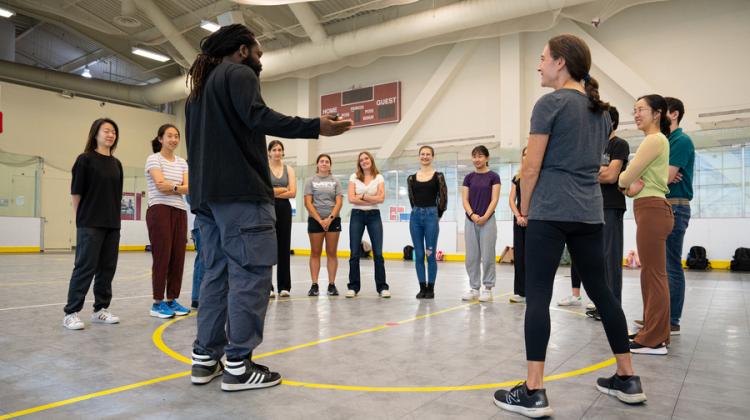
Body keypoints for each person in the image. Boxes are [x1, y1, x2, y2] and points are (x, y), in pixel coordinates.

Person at [185, 24, 351, 391]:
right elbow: (259, 116)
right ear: (242, 50)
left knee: (216, 275)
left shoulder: (197, 92)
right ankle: (239, 366)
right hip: (241, 195)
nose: (260, 61)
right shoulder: (239, 74)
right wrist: (316, 126)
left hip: (206, 200)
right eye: (258, 53)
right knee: (250, 276)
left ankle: (204, 358)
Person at [493, 34, 645, 418]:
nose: (539, 65)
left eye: (543, 58)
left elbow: (531, 166)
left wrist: (526, 206)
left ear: (561, 62)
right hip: (589, 212)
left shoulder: (550, 104)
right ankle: (627, 378)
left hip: (550, 209)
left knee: (539, 293)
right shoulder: (603, 113)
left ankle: (534, 390)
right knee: (603, 292)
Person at [618, 94, 674, 355]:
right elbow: (632, 187)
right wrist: (630, 188)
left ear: (657, 113)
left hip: (652, 208)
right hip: (647, 206)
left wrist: (625, 182)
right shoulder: (653, 141)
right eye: (634, 110)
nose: (636, 114)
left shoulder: (654, 140)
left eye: (641, 109)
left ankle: (655, 338)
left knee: (654, 275)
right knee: (649, 275)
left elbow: (626, 177)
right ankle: (650, 331)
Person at [63, 118, 123, 330]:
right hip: (90, 223)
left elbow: (116, 196)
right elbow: (76, 193)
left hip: (112, 224)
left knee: (107, 269)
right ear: (95, 134)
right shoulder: (85, 160)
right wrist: (81, 220)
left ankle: (100, 310)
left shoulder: (117, 164)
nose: (110, 134)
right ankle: (71, 312)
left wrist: (116, 222)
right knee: (85, 267)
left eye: (113, 132)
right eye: (106, 131)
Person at [575, 106, 631, 320]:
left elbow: (611, 176)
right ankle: (602, 304)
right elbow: (581, 172)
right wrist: (598, 171)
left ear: (610, 123)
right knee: (596, 258)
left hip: (611, 206)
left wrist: (591, 171)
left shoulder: (619, 145)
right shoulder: (592, 145)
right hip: (590, 206)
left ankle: (612, 308)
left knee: (610, 258)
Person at [145, 124, 190, 319]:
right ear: (160, 138)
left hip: (179, 211)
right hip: (159, 209)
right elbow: (159, 185)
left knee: (178, 257)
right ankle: (157, 302)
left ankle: (172, 299)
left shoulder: (182, 163)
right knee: (162, 255)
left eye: (176, 136)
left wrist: (172, 186)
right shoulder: (153, 159)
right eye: (169, 136)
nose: (173, 139)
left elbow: (188, 188)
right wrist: (177, 186)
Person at [663, 97, 694, 336]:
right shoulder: (665, 141)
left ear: (673, 114)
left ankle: (672, 320)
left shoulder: (681, 140)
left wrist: (658, 175)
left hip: (675, 206)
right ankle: (661, 317)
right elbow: (661, 175)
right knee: (660, 266)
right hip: (663, 204)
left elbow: (664, 178)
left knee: (671, 264)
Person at [346, 151, 389, 298]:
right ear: (359, 163)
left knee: (378, 253)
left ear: (371, 160)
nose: (364, 161)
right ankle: (353, 287)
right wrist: (372, 198)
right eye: (361, 160)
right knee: (354, 253)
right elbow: (351, 199)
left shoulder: (379, 177)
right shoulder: (354, 177)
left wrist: (363, 196)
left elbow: (381, 199)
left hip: (373, 216)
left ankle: (382, 287)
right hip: (357, 215)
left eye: (366, 158)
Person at [461, 145, 501, 302]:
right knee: (471, 256)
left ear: (487, 158)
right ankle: (474, 288)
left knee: (488, 255)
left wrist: (485, 216)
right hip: (470, 221)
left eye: (480, 156)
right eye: (474, 156)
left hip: (488, 221)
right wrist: (472, 215)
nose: (477, 159)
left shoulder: (494, 177)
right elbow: (464, 199)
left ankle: (488, 288)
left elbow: (495, 199)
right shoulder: (468, 178)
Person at [407, 145, 447, 299]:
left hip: (432, 215)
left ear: (432, 156)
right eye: (422, 154)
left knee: (430, 253)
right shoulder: (411, 178)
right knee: (418, 253)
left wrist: (437, 214)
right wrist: (418, 211)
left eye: (428, 154)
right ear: (419, 157)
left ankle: (431, 287)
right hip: (415, 217)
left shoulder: (439, 176)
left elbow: (443, 197)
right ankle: (421, 287)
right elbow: (412, 199)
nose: (425, 156)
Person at [304, 154, 344, 297]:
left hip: (333, 221)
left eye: (327, 162)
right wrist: (320, 220)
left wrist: (330, 218)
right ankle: (314, 285)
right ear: (317, 164)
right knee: (315, 252)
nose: (324, 163)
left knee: (331, 253)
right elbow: (308, 202)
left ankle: (331, 285)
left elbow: (339, 202)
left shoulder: (336, 181)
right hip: (315, 220)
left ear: (330, 165)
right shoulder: (310, 181)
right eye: (322, 161)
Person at [268, 140, 296, 298]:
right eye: (274, 150)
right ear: (269, 152)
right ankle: (269, 286)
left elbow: (293, 193)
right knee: (268, 247)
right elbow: (263, 191)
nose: (277, 152)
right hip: (268, 208)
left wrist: (273, 191)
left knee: (284, 247)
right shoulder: (264, 168)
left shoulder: (289, 169)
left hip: (284, 209)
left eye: (280, 150)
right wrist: (281, 189)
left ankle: (284, 286)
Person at [509, 147, 528, 304]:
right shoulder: (517, 177)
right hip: (519, 221)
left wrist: (529, 216)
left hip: (534, 220)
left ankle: (534, 290)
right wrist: (518, 215)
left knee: (533, 257)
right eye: (524, 154)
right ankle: (520, 292)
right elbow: (512, 199)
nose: (527, 157)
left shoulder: (540, 175)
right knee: (520, 256)